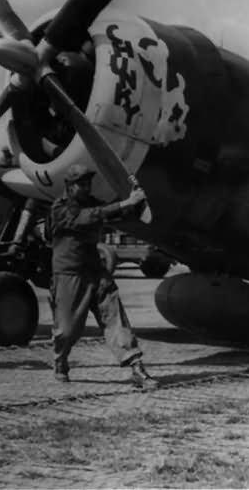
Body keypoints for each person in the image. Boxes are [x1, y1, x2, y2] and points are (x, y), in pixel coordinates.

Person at [46, 164, 156, 386]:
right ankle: (61, 360)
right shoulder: (59, 209)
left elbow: (114, 213)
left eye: (88, 183)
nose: (86, 187)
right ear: (69, 186)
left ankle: (136, 366)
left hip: (96, 271)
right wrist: (126, 202)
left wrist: (135, 199)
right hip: (69, 274)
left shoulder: (91, 203)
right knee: (67, 331)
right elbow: (89, 217)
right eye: (81, 183)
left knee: (116, 318)